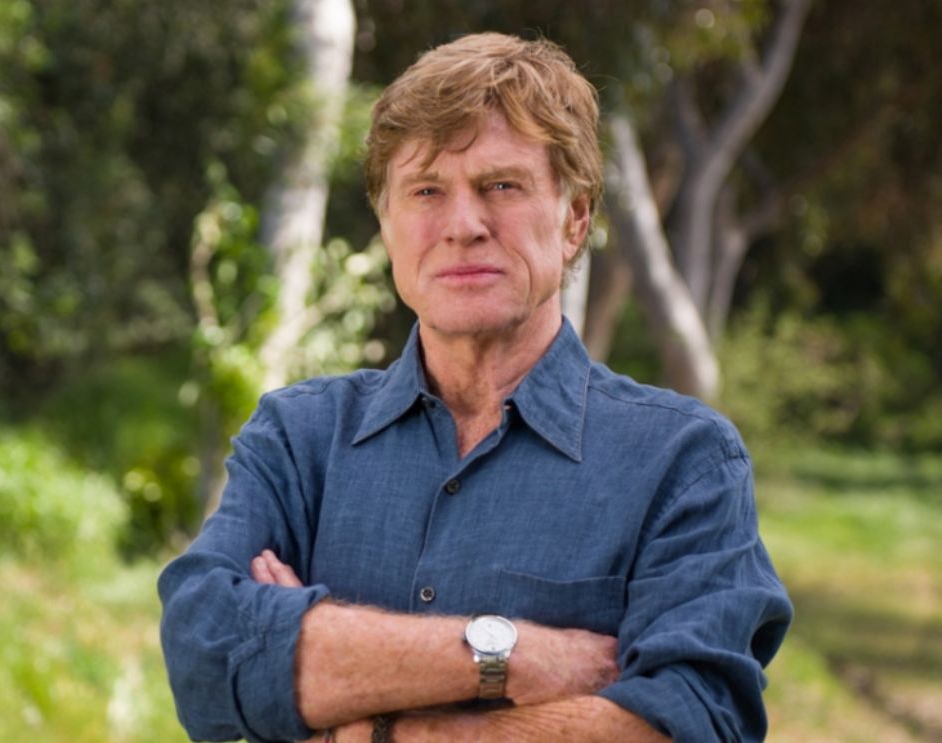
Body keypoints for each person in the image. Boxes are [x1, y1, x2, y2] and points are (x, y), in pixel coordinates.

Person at [159, 32, 792, 743]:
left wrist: (375, 718)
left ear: (575, 219)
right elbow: (205, 653)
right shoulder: (299, 438)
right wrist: (517, 656)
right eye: (426, 191)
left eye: (502, 186)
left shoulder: (682, 463)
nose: (463, 226)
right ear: (386, 225)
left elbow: (697, 720)